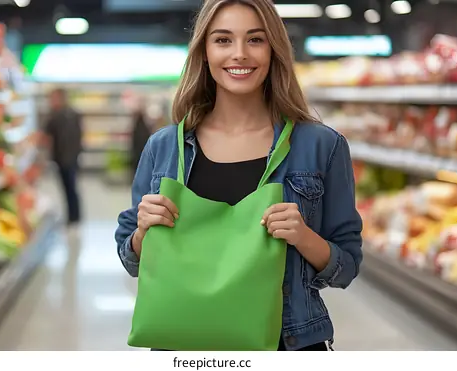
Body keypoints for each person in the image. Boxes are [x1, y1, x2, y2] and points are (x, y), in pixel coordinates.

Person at [115, 0, 363, 351]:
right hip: (183, 345)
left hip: (286, 344)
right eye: (223, 40)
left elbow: (348, 265)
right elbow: (129, 258)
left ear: (274, 49)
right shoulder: (165, 147)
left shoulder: (321, 145)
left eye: (255, 40)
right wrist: (143, 232)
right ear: (203, 52)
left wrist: (304, 237)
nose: (240, 54)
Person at [44, 88, 83, 226]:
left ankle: (73, 217)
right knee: (71, 188)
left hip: (62, 158)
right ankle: (75, 216)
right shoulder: (74, 114)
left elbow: (47, 138)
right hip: (72, 157)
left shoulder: (55, 116)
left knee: (68, 189)